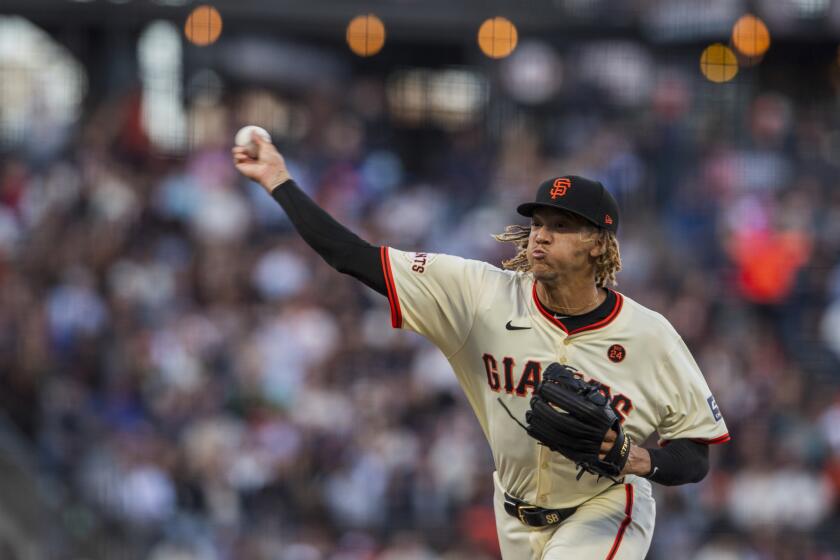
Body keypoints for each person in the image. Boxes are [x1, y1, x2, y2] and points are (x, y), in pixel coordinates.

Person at [232, 134, 730, 559]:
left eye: (560, 227)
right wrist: (279, 180)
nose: (540, 237)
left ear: (599, 243)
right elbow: (351, 257)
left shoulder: (650, 335)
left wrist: (636, 458)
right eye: (538, 223)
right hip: (513, 514)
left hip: (605, 506)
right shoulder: (479, 295)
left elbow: (695, 455)